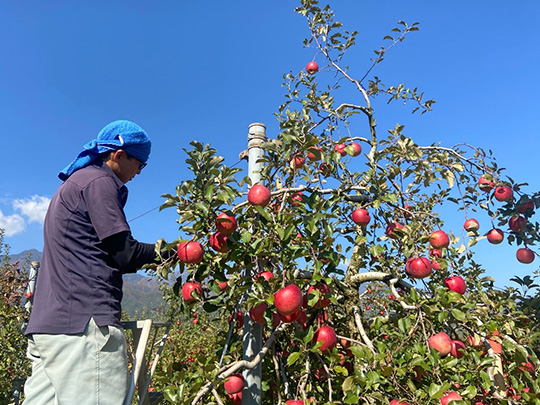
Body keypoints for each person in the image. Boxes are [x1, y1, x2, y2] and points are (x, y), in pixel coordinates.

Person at [24, 120, 161, 404]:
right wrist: (172, 252)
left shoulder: (75, 183)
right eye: (140, 163)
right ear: (119, 154)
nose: (139, 172)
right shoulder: (98, 182)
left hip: (49, 328)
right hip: (84, 329)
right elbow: (124, 253)